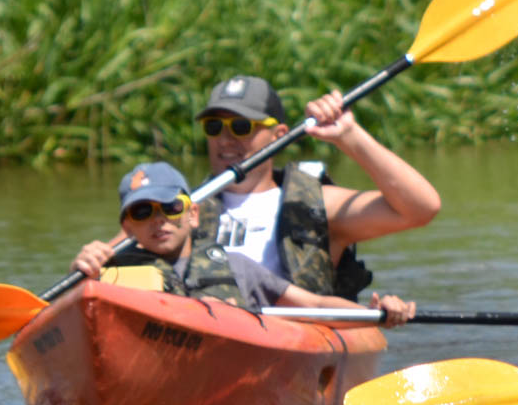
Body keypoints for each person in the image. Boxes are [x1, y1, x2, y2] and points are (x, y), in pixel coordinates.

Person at [189, 75, 442, 300]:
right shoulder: (181, 207)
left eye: (241, 126)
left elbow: (421, 209)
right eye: (214, 127)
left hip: (291, 336)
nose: (224, 139)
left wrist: (350, 136)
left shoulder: (316, 205)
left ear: (279, 135)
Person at [72, 161, 416, 323]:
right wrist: (81, 273)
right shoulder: (105, 275)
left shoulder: (236, 267)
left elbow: (312, 305)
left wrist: (375, 313)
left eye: (171, 207)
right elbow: (72, 323)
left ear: (193, 216)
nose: (158, 219)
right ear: (127, 227)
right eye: (142, 212)